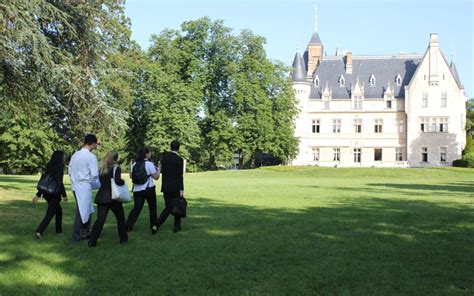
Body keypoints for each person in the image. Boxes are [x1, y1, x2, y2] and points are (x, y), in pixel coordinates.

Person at [88, 151, 128, 247]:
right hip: (113, 198)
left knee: (100, 220)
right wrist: (123, 182)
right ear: (115, 159)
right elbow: (118, 181)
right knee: (120, 219)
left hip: (102, 197)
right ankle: (123, 239)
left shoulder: (101, 168)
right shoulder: (116, 169)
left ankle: (92, 241)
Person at [69, 134, 100, 243]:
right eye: (96, 144)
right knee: (82, 211)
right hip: (84, 185)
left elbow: (70, 171)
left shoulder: (75, 155)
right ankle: (75, 236)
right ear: (93, 143)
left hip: (75, 185)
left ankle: (86, 232)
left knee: (88, 209)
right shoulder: (91, 157)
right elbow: (95, 174)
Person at [33, 150, 68, 239]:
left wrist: (38, 194)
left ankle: (59, 231)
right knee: (50, 214)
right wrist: (64, 195)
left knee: (59, 211)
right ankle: (39, 231)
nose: (64, 158)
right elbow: (60, 183)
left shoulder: (49, 165)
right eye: (63, 156)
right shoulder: (60, 167)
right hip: (54, 193)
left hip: (47, 193)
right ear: (60, 157)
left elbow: (45, 181)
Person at [125, 148, 160, 234]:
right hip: (148, 188)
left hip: (137, 189)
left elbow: (131, 176)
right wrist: (159, 169)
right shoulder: (149, 164)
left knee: (136, 208)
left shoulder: (135, 164)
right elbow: (156, 177)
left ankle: (128, 226)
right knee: (152, 208)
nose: (150, 154)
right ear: (146, 154)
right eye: (149, 153)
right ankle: (153, 226)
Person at [157, 140, 184, 233]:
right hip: (176, 186)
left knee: (168, 207)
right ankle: (177, 226)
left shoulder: (164, 158)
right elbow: (180, 176)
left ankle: (157, 224)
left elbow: (162, 171)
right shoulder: (179, 159)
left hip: (166, 186)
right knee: (177, 206)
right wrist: (181, 189)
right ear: (179, 147)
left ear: (170, 147)